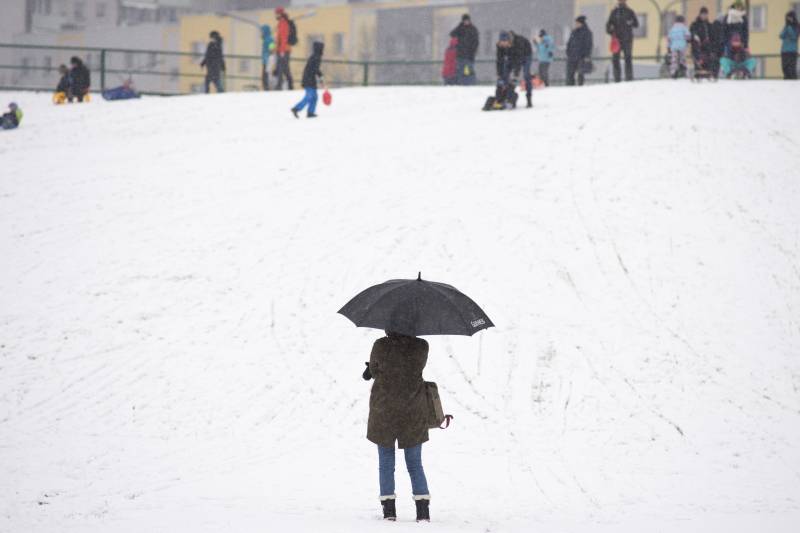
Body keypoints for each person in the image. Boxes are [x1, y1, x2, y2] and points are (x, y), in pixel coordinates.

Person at [363, 331, 431, 522]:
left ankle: (389, 512)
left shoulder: (381, 345)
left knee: (386, 463)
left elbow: (375, 372)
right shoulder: (421, 346)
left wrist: (371, 369)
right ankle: (423, 511)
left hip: (384, 410)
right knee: (415, 463)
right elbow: (412, 368)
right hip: (413, 411)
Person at [495, 31, 533, 108]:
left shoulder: (518, 43)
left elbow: (518, 60)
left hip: (525, 55)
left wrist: (515, 75)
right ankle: (503, 97)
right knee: (504, 74)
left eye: (504, 42)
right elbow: (499, 61)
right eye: (501, 43)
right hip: (512, 56)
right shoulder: (500, 46)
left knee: (526, 75)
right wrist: (500, 75)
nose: (503, 45)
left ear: (508, 41)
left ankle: (529, 98)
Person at [606, 0, 638, 82]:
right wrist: (611, 30)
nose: (621, 2)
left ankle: (629, 79)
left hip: (627, 40)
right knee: (616, 60)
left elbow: (636, 24)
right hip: (617, 40)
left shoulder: (630, 12)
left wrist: (630, 22)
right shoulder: (614, 12)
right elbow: (608, 26)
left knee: (627, 59)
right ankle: (617, 79)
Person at [291, 41, 325, 119]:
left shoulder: (314, 56)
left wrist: (320, 77)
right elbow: (315, 69)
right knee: (309, 96)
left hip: (309, 79)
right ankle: (296, 108)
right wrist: (321, 77)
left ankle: (310, 112)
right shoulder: (316, 57)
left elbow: (315, 69)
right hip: (309, 80)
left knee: (314, 97)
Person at [449, 14, 479, 85]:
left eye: (467, 20)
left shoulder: (473, 29)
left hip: (469, 55)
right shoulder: (460, 28)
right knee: (460, 72)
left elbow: (476, 42)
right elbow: (452, 34)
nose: (466, 22)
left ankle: (471, 85)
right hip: (460, 55)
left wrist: (473, 51)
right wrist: (460, 26)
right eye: (464, 21)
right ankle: (460, 85)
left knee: (470, 72)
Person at [691, 8, 718, 77]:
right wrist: (695, 35)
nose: (704, 16)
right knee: (698, 55)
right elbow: (692, 32)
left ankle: (708, 71)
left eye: (705, 14)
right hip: (698, 45)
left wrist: (712, 44)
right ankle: (698, 70)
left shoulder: (709, 25)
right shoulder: (695, 24)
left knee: (710, 56)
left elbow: (713, 36)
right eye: (702, 14)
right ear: (700, 14)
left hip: (707, 46)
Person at [567, 16, 593, 87]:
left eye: (577, 23)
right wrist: (568, 52)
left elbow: (588, 45)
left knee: (580, 73)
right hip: (572, 56)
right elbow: (569, 43)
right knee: (570, 73)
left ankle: (580, 88)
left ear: (581, 23)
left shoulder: (587, 32)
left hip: (581, 56)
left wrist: (587, 55)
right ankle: (570, 87)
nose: (576, 24)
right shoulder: (574, 32)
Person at [274, 7, 294, 90]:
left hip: (283, 50)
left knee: (281, 68)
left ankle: (279, 86)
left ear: (280, 14)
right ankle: (289, 85)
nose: (275, 15)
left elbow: (283, 38)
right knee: (285, 69)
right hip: (283, 49)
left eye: (276, 13)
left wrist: (281, 51)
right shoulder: (282, 22)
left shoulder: (283, 23)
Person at [780, 11, 799, 80]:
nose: (788, 19)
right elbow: (781, 36)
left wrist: (789, 28)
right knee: (784, 68)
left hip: (792, 51)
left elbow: (794, 36)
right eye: (787, 18)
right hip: (784, 50)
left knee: (791, 69)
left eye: (790, 17)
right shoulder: (786, 26)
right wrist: (787, 27)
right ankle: (786, 82)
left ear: (793, 17)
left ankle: (794, 83)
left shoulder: (797, 26)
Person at [260, 25, 275, 91]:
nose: (261, 33)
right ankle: (266, 88)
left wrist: (268, 58)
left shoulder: (270, 39)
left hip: (268, 60)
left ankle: (267, 88)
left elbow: (272, 49)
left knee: (266, 75)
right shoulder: (266, 39)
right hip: (265, 60)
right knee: (265, 75)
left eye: (262, 31)